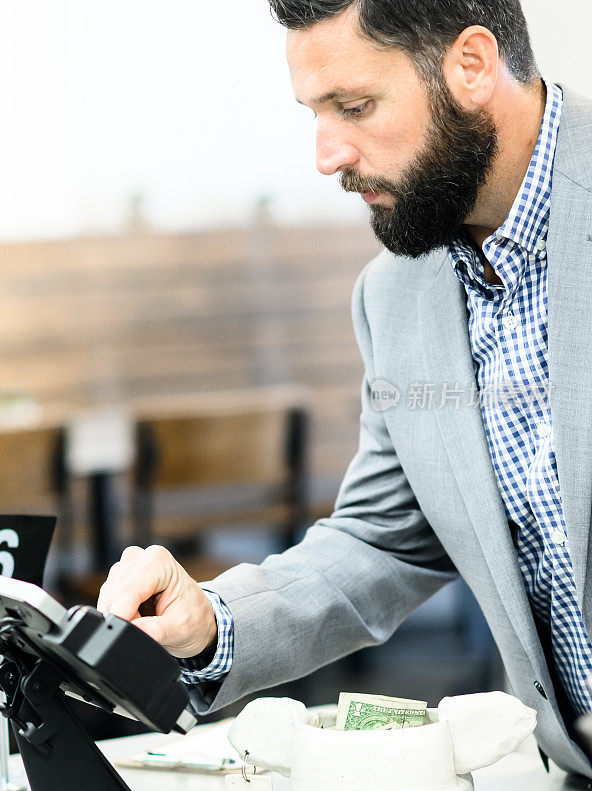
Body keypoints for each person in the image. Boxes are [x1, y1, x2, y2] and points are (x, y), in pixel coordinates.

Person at [98, 0, 592, 777]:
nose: (327, 155)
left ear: (470, 65)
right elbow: (378, 540)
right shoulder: (395, 297)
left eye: (354, 107)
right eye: (314, 113)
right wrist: (210, 621)